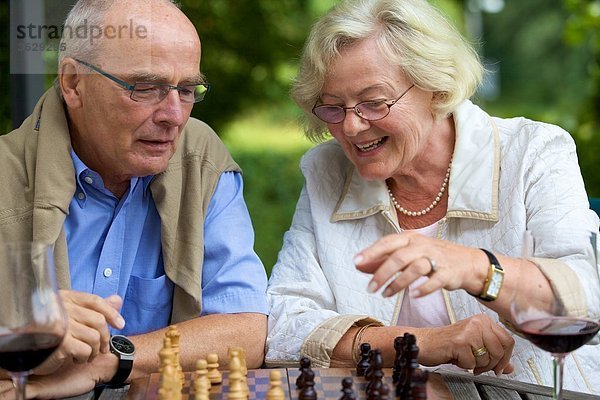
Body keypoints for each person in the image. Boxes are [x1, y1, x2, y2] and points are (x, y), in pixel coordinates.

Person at [266, 0, 600, 394]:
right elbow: (283, 321)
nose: (352, 127)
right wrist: (421, 343)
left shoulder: (533, 151)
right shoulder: (327, 170)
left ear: (436, 86)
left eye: (374, 102)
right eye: (334, 107)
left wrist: (478, 269)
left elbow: (584, 300)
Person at [0, 0, 268, 398]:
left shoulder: (199, 158)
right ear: (73, 83)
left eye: (188, 89)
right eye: (145, 87)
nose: (175, 115)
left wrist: (112, 361)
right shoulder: (7, 175)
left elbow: (245, 328)